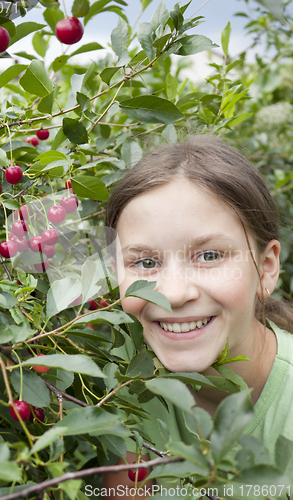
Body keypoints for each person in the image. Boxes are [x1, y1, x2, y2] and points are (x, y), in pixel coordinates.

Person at [103, 135, 293, 498]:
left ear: (266, 269)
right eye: (145, 262)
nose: (173, 293)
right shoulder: (129, 384)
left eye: (209, 256)